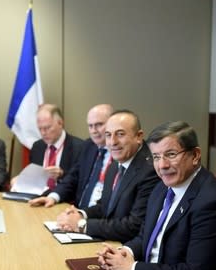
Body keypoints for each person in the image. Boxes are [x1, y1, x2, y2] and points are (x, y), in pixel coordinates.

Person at [97, 121, 216, 270]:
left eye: (170, 154)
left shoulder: (212, 203)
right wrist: (124, 253)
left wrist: (132, 269)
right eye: (156, 157)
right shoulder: (162, 187)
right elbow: (146, 236)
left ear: (195, 155)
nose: (162, 165)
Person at [42, 110, 160, 242]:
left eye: (120, 134)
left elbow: (134, 225)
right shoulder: (116, 163)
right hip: (108, 240)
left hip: (126, 249)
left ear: (139, 136)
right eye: (108, 135)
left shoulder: (150, 170)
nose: (112, 142)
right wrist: (80, 214)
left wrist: (81, 225)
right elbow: (105, 205)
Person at [28, 104, 113, 208]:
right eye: (90, 126)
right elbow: (73, 178)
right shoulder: (89, 147)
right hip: (74, 211)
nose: (94, 131)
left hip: (96, 216)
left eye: (99, 125)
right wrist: (53, 197)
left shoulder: (120, 153)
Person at [11, 104, 83, 191]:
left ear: (60, 123)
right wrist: (21, 181)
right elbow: (34, 178)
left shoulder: (79, 147)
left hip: (64, 200)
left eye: (47, 128)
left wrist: (62, 175)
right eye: (40, 129)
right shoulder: (37, 146)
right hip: (38, 198)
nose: (43, 133)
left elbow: (81, 181)